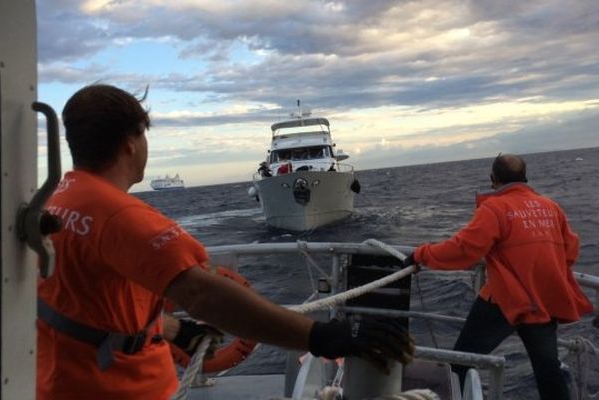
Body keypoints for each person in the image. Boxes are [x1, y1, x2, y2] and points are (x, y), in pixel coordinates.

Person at [37, 84, 415, 400]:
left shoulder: (57, 202)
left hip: (60, 381)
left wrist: (175, 330)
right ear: (131, 142)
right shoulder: (123, 218)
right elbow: (203, 296)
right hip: (119, 388)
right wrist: (321, 335)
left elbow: (90, 304)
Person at [403, 154, 594, 400]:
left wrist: (420, 254)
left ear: (494, 180)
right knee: (548, 372)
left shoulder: (494, 208)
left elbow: (463, 250)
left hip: (504, 301)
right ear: (525, 177)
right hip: (543, 302)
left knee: (460, 362)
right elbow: (571, 250)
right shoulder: (551, 207)